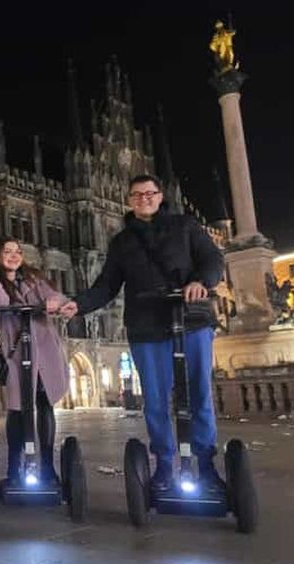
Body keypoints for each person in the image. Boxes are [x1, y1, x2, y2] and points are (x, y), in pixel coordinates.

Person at [60, 174, 225, 493]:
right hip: (146, 328)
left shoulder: (186, 226)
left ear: (161, 196)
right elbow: (106, 286)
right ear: (129, 200)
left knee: (200, 397)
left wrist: (200, 282)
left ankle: (205, 465)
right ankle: (164, 465)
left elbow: (213, 259)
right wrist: (76, 306)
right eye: (137, 195)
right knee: (155, 401)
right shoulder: (122, 242)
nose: (144, 198)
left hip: (191, 321)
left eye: (150, 193)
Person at [0, 238, 70, 483]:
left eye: (17, 252)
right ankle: (15, 466)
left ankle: (46, 465)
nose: (13, 256)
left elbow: (55, 296)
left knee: (45, 405)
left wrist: (59, 302)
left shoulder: (34, 279)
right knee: (17, 409)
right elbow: (1, 303)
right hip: (16, 353)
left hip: (44, 351)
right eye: (7, 252)